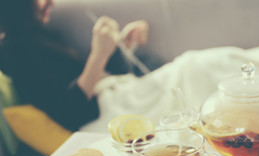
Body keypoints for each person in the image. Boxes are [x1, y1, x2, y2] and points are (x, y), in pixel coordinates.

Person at [0, 0, 149, 131]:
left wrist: (119, 45)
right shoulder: (13, 52)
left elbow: (89, 77)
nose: (52, 3)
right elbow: (69, 113)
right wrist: (99, 55)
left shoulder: (38, 33)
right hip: (104, 115)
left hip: (115, 95)